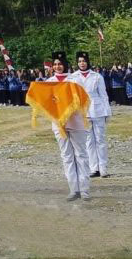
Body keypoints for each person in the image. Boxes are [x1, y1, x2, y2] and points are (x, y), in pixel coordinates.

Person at [44, 51, 91, 201]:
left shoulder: (75, 80)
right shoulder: (49, 82)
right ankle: (73, 189)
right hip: (59, 124)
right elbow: (47, 103)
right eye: (55, 64)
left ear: (65, 65)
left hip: (76, 121)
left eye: (60, 64)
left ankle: (84, 190)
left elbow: (83, 100)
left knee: (81, 155)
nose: (58, 66)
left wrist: (69, 110)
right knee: (67, 157)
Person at [71, 51, 111, 178]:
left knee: (100, 139)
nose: (82, 63)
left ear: (88, 61)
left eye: (84, 61)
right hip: (82, 110)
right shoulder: (73, 77)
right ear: (77, 63)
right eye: (79, 61)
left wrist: (107, 112)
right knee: (88, 141)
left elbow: (104, 95)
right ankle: (94, 168)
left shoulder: (97, 76)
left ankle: (103, 168)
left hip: (98, 110)